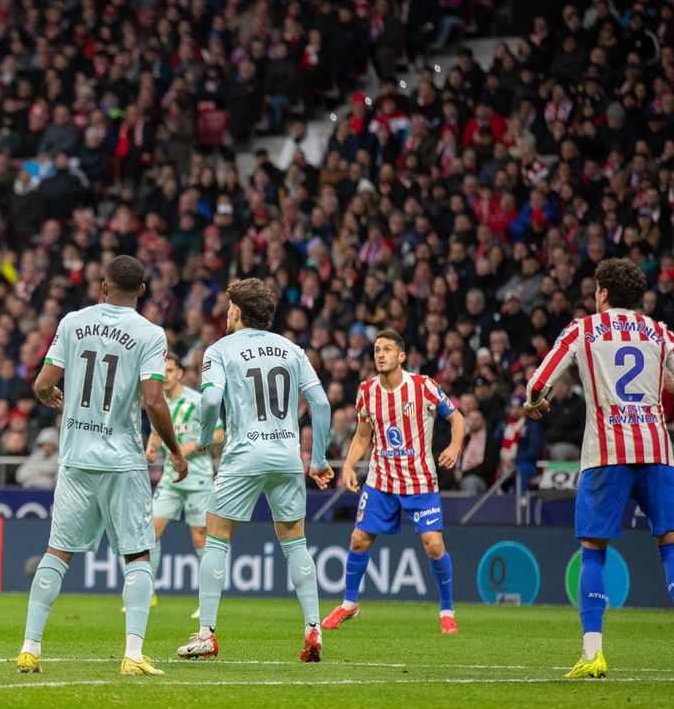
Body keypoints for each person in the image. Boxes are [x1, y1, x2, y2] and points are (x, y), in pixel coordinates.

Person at [18, 255, 186, 678]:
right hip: (123, 460)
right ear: (142, 291)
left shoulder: (74, 322)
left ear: (103, 286)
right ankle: (132, 654)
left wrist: (47, 397)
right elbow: (153, 400)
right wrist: (175, 450)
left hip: (76, 457)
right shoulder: (149, 333)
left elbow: (42, 383)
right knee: (137, 555)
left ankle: (30, 648)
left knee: (57, 552)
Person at [523, 258, 674, 679]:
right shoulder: (659, 332)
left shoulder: (583, 330)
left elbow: (539, 382)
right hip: (657, 450)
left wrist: (535, 404)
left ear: (602, 293)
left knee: (594, 549)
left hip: (606, 453)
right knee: (670, 545)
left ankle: (593, 655)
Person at [177, 278, 334, 663]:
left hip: (244, 454)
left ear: (238, 312)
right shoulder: (292, 350)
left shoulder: (219, 350)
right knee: (295, 541)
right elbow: (322, 404)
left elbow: (211, 398)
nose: (226, 312)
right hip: (286, 455)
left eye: (229, 306)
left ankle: (206, 634)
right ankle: (313, 627)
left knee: (216, 536)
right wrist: (318, 458)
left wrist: (202, 437)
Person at [323, 331, 465, 635]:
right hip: (381, 481)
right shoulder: (366, 391)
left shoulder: (423, 386)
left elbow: (457, 419)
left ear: (402, 356)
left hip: (420, 482)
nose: (380, 354)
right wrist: (348, 465)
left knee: (434, 544)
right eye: (376, 350)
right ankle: (349, 603)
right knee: (358, 539)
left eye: (387, 349)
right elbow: (363, 435)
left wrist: (453, 448)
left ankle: (447, 610)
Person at [147, 353, 222, 619]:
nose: (165, 376)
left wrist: (192, 446)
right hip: (170, 477)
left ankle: (207, 601)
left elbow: (220, 433)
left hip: (198, 478)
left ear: (179, 373)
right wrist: (151, 449)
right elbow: (158, 431)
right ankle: (147, 594)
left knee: (200, 537)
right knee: (149, 534)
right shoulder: (158, 401)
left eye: (170, 371)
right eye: (162, 371)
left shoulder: (196, 400)